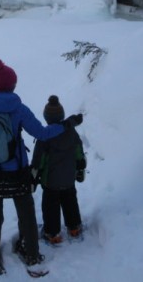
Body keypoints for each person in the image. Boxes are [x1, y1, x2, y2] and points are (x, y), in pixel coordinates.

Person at [0, 58, 82, 270]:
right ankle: (31, 254)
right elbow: (41, 133)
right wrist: (65, 125)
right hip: (16, 171)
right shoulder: (19, 109)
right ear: (12, 85)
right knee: (26, 214)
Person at [31, 95, 86, 244]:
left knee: (51, 206)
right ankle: (74, 228)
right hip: (68, 178)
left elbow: (38, 161)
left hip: (51, 182)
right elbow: (79, 152)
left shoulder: (45, 136)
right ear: (61, 115)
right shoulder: (71, 132)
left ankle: (52, 233)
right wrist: (80, 167)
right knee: (70, 202)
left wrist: (33, 178)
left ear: (46, 117)